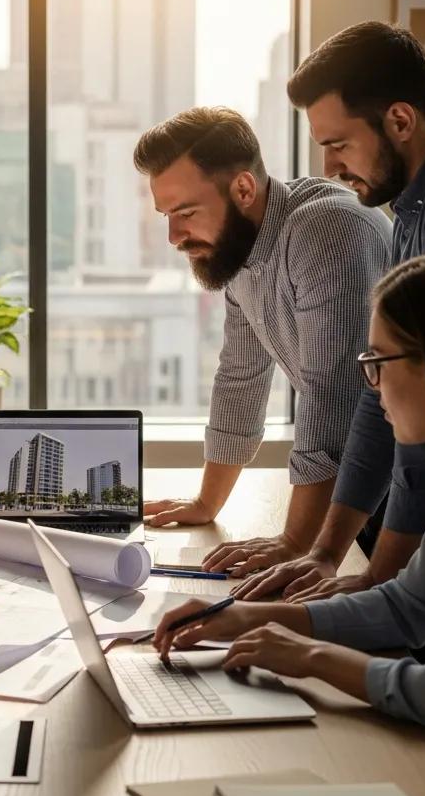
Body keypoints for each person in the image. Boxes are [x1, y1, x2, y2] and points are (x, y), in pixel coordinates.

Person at [153, 250, 425, 739]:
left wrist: (312, 657)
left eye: (377, 362)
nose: (371, 387)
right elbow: (407, 607)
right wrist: (245, 616)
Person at [215, 22, 425, 602]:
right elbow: (378, 393)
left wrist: (377, 580)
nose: (330, 166)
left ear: (401, 121)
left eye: (339, 144)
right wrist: (322, 553)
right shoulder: (410, 213)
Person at [134, 107, 390, 562]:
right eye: (166, 215)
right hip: (365, 488)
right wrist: (206, 503)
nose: (174, 235)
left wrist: (293, 543)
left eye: (186, 212)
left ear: (244, 189)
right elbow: (241, 375)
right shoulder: (238, 249)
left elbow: (330, 397)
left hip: (422, 493)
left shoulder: (326, 231)